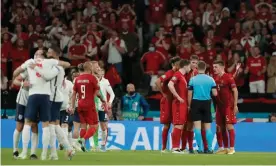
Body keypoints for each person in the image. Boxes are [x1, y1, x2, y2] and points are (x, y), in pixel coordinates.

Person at [13, 50, 71, 160]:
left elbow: (16, 72)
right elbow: (67, 64)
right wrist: (56, 63)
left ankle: (25, 153)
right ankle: (44, 155)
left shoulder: (30, 62)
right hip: (46, 97)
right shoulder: (49, 63)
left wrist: (30, 70)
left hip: (33, 95)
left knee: (28, 123)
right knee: (46, 125)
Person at [34, 46, 73, 160]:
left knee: (50, 126)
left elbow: (47, 77)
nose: (48, 54)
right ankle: (68, 149)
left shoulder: (56, 66)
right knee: (55, 126)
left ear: (56, 55)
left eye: (50, 52)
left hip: (53, 98)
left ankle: (53, 153)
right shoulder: (54, 65)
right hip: (54, 97)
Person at [70, 61, 106, 151]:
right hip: (89, 104)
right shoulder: (93, 78)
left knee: (83, 126)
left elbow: (73, 94)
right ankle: (81, 140)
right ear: (89, 68)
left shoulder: (77, 79)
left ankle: (82, 147)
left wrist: (72, 106)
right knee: (94, 126)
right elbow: (97, 91)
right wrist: (101, 99)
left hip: (80, 104)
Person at [188, 61, 217, 154]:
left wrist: (189, 105)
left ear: (197, 67)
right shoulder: (211, 79)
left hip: (196, 103)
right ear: (205, 68)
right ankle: (210, 148)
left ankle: (200, 148)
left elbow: (189, 94)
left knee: (197, 128)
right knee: (208, 128)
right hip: (207, 103)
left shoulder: (193, 79)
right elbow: (215, 93)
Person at [12, 66, 38, 160]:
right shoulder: (28, 70)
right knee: (20, 126)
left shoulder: (45, 72)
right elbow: (15, 81)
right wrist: (23, 83)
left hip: (35, 100)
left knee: (34, 125)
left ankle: (33, 153)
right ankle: (15, 150)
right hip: (23, 100)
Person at [213, 60, 238, 155]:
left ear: (222, 67)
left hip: (228, 106)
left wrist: (235, 105)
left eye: (216, 67)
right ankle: (223, 148)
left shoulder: (228, 77)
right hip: (219, 107)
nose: (214, 69)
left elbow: (235, 91)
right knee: (219, 127)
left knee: (229, 126)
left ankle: (232, 148)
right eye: (213, 67)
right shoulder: (215, 79)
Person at [155, 56, 181, 152]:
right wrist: (163, 94)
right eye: (178, 64)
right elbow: (157, 81)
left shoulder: (178, 74)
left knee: (176, 124)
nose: (180, 66)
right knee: (167, 125)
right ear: (173, 65)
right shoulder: (169, 73)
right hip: (167, 102)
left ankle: (175, 147)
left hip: (174, 101)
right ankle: (164, 148)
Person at [168, 59, 191, 153]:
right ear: (185, 66)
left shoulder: (182, 76)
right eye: (189, 66)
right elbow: (170, 84)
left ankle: (176, 147)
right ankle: (175, 147)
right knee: (178, 125)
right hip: (178, 104)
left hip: (182, 104)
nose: (190, 68)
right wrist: (177, 97)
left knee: (179, 125)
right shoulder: (177, 74)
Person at [90, 68, 115, 152]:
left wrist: (110, 102)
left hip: (102, 106)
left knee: (104, 126)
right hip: (93, 106)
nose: (99, 73)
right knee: (94, 126)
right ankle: (94, 145)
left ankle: (103, 144)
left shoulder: (105, 81)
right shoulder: (91, 80)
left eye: (101, 72)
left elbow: (112, 94)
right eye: (97, 72)